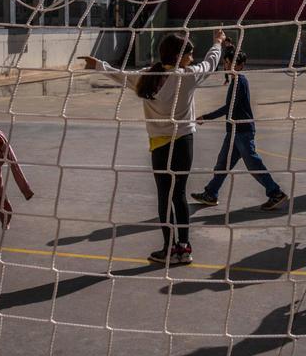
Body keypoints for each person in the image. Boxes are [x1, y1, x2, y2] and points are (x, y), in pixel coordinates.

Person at [81, 29, 224, 266]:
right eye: (189, 53)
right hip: (183, 143)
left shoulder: (149, 77)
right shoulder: (187, 76)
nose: (192, 57)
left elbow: (121, 75)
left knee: (164, 197)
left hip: (160, 146)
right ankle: (184, 247)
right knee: (179, 195)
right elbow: (211, 63)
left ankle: (169, 248)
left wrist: (98, 65)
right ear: (179, 56)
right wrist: (217, 42)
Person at [191, 50, 288, 211]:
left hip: (242, 131)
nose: (227, 65)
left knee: (253, 163)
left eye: (231, 62)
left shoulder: (240, 82)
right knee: (223, 163)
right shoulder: (235, 81)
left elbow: (229, 108)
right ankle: (211, 193)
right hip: (233, 132)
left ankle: (275, 193)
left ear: (241, 66)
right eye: (227, 62)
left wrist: (206, 117)